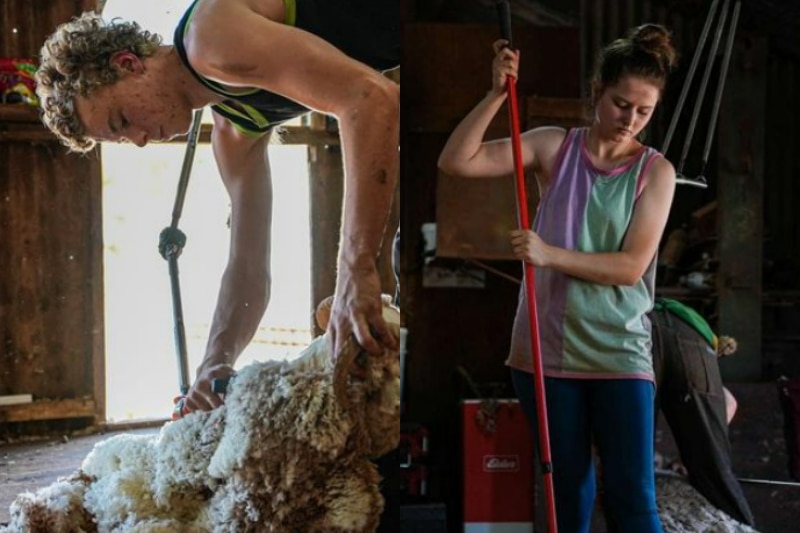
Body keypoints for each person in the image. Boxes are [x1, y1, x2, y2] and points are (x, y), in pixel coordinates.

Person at [34, 0, 400, 414]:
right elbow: (247, 267)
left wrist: (356, 269)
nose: (137, 139)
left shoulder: (209, 38)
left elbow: (372, 99)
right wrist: (214, 364)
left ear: (129, 64)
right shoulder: (233, 130)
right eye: (121, 139)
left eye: (121, 121)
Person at [438, 24, 678, 532]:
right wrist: (495, 95)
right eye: (619, 104)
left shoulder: (656, 173)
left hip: (620, 353)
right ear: (596, 93)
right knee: (564, 494)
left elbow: (631, 267)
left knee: (633, 499)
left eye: (643, 111)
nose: (629, 120)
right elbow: (456, 161)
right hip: (545, 352)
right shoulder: (553, 147)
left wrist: (550, 255)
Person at [649, 298, 755, 526]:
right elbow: (728, 403)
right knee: (716, 476)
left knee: (631, 472)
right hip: (686, 334)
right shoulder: (696, 337)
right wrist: (693, 453)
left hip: (636, 329)